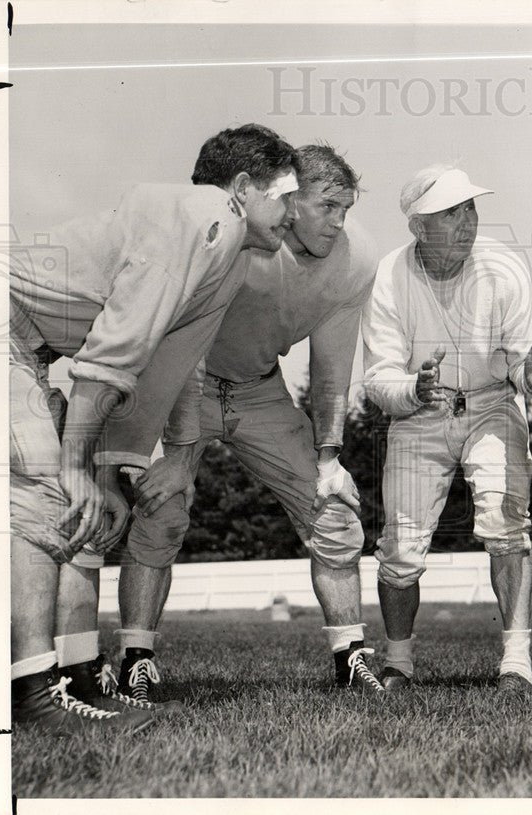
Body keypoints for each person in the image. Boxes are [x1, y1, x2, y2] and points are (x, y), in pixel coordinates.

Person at [9, 123, 299, 733]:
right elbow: (117, 347)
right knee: (44, 496)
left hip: (28, 346)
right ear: (243, 188)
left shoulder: (231, 252)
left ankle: (77, 679)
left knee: (82, 517)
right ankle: (28, 696)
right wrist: (72, 466)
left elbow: (165, 368)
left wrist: (113, 471)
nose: (293, 214)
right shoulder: (206, 214)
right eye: (287, 196)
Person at [101, 143, 384, 701]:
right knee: (163, 509)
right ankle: (137, 656)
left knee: (333, 510)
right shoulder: (243, 235)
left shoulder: (354, 258)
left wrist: (330, 455)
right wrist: (180, 457)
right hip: (187, 377)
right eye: (326, 206)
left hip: (259, 389)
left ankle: (351, 656)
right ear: (289, 199)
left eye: (345, 208)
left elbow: (333, 362)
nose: (338, 222)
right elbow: (187, 341)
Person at [362, 165, 532, 692]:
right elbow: (378, 376)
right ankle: (398, 661)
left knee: (505, 524)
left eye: (470, 207)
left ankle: (516, 661)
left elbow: (526, 358)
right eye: (451, 212)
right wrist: (413, 389)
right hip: (418, 416)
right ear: (418, 227)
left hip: (493, 406)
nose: (467, 220)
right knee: (400, 549)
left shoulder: (504, 265)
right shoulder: (389, 274)